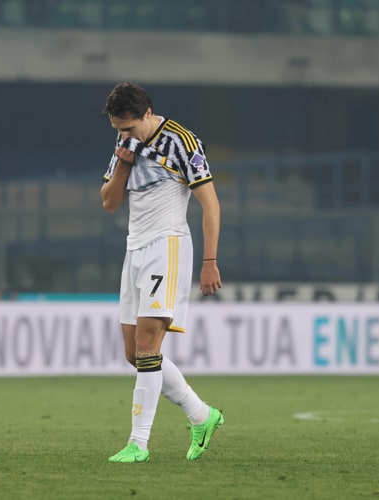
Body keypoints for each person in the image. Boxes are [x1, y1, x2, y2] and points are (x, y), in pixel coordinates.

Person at [100, 82, 224, 463]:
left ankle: (138, 443)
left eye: (130, 128)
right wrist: (123, 160)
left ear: (148, 114)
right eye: (118, 128)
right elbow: (109, 203)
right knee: (133, 354)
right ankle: (202, 415)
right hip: (134, 248)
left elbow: (210, 205)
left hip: (167, 246)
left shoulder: (182, 142)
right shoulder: (125, 145)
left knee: (148, 346)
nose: (124, 134)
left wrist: (209, 262)